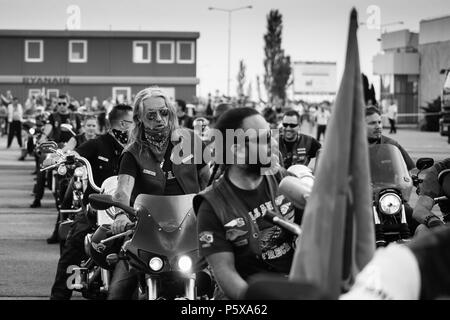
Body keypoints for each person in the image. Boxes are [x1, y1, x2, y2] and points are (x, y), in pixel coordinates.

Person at [107, 87, 210, 300]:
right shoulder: (133, 152)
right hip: (147, 231)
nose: (159, 119)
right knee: (117, 292)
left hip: (191, 228)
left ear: (171, 112)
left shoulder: (192, 141)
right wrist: (120, 214)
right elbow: (123, 190)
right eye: (151, 115)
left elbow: (208, 181)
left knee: (222, 280)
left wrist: (217, 208)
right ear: (139, 118)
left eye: (164, 112)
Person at [194, 107, 304, 300]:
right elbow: (226, 274)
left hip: (295, 287)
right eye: (264, 139)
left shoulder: (282, 178)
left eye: (271, 135)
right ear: (237, 151)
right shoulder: (211, 205)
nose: (273, 143)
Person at [49, 104, 133, 300]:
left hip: (130, 208)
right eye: (134, 122)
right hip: (96, 206)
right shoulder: (97, 144)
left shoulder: (137, 147)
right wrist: (66, 157)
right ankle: (59, 296)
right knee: (74, 244)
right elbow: (77, 153)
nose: (138, 125)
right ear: (123, 123)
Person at [30, 95, 81, 213]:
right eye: (59, 103)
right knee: (43, 165)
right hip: (56, 147)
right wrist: (42, 140)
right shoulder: (53, 116)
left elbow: (81, 131)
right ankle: (38, 198)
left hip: (72, 147)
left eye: (64, 103)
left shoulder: (75, 117)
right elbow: (47, 129)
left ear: (68, 103)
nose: (61, 106)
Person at [365, 106, 414, 170]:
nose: (378, 126)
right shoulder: (351, 146)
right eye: (372, 123)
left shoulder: (392, 144)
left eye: (379, 122)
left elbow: (409, 170)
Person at [413, 158, 450, 235]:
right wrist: (434, 222)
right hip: (448, 227)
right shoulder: (442, 168)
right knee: (422, 229)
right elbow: (420, 209)